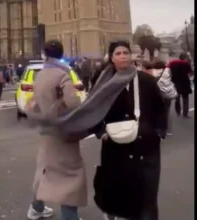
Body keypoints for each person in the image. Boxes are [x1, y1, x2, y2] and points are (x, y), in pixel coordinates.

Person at [89, 41, 166, 220]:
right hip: (115, 148)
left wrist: (158, 133)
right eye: (118, 53)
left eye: (126, 52)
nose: (123, 56)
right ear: (112, 58)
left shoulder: (146, 80)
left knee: (147, 198)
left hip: (145, 149)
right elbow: (92, 110)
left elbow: (160, 108)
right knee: (120, 196)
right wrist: (102, 132)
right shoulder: (103, 83)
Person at [25, 40, 87, 220]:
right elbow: (73, 103)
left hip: (46, 130)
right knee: (69, 177)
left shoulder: (41, 74)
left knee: (45, 170)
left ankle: (36, 208)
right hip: (62, 131)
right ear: (61, 54)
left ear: (45, 54)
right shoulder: (63, 74)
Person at [151, 59, 178, 136]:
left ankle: (157, 130)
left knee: (157, 112)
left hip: (157, 94)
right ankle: (166, 130)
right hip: (167, 94)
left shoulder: (152, 72)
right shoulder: (167, 71)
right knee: (166, 112)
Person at [168, 53, 193, 118]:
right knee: (185, 99)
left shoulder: (173, 64)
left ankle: (178, 112)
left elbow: (169, 72)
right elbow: (190, 73)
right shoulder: (186, 64)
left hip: (176, 82)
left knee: (177, 98)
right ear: (185, 57)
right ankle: (185, 114)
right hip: (185, 83)